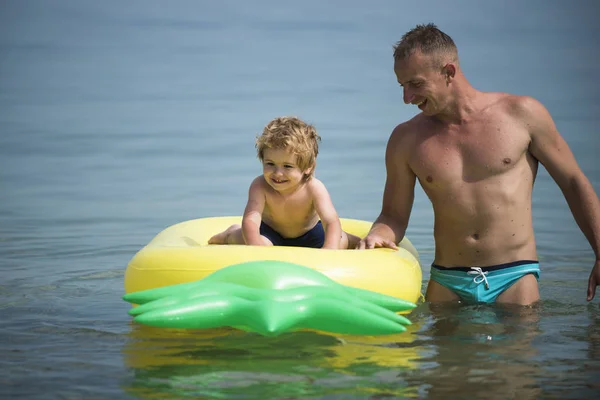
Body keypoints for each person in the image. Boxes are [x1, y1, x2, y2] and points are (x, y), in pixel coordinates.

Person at [357, 23, 600, 305]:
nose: (406, 98)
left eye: (416, 84)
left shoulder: (522, 115)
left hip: (514, 277)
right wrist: (377, 234)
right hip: (447, 280)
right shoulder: (405, 139)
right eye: (402, 86)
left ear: (449, 72)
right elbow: (393, 216)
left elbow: (572, 182)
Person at [209, 116, 358, 249]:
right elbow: (251, 220)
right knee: (244, 239)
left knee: (339, 240)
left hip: (310, 234)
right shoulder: (260, 186)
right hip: (270, 233)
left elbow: (331, 221)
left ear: (307, 167)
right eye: (270, 164)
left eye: (287, 166)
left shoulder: (314, 188)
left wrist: (329, 254)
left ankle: (353, 240)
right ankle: (228, 234)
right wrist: (256, 249)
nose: (277, 173)